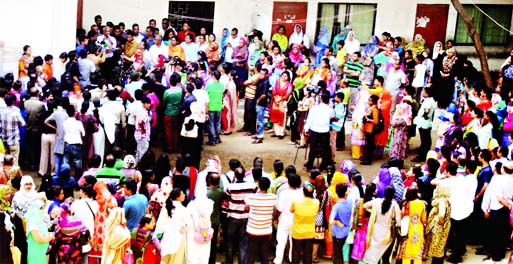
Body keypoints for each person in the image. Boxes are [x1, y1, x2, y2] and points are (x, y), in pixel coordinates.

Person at [363, 186, 401, 264]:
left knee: (375, 253)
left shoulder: (377, 201)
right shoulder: (395, 205)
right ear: (393, 194)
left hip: (376, 231)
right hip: (388, 234)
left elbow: (365, 206)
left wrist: (373, 212)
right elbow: (398, 222)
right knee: (386, 257)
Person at [155, 188, 191, 263]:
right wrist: (184, 230)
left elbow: (160, 223)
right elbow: (188, 225)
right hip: (179, 239)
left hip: (166, 238)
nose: (184, 195)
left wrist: (157, 236)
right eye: (182, 194)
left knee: (164, 261)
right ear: (177, 197)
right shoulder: (183, 209)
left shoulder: (166, 207)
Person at [274, 174, 303, 264]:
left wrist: (276, 218)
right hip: (296, 220)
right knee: (293, 242)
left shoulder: (284, 193)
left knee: (281, 242)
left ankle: (278, 260)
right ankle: (291, 259)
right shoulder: (302, 192)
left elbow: (279, 209)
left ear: (289, 183)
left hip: (284, 220)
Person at [303, 91, 335, 171]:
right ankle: (323, 166)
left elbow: (309, 119)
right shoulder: (330, 110)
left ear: (320, 99)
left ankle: (309, 165)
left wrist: (306, 128)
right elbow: (332, 117)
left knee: (313, 149)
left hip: (315, 130)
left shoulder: (314, 108)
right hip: (324, 131)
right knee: (325, 149)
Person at [290, 184, 320, 264]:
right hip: (309, 232)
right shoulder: (316, 202)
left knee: (296, 253)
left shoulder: (296, 202)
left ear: (303, 192)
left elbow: (291, 210)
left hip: (297, 232)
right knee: (308, 254)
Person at [424, 182, 451, 264]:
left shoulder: (442, 201)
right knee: (438, 248)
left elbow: (441, 215)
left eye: (437, 188)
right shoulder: (445, 200)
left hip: (438, 228)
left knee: (437, 248)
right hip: (441, 227)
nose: (435, 190)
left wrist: (436, 222)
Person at [398, 187, 427, 264]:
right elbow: (424, 220)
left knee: (406, 255)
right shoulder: (423, 204)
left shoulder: (405, 204)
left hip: (408, 231)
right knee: (417, 255)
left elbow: (402, 218)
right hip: (419, 231)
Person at [329, 183, 352, 264]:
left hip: (338, 233)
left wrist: (337, 222)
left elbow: (330, 221)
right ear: (346, 192)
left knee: (338, 254)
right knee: (346, 253)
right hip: (348, 231)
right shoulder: (350, 202)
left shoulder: (336, 207)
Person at [0, 94, 25, 166]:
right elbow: (23, 123)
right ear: (13, 101)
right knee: (14, 161)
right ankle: (13, 176)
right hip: (14, 140)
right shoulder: (16, 112)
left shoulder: (1, 112)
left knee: (4, 160)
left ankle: (5, 176)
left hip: (4, 140)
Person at [26, 199, 53, 264]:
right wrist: (50, 237)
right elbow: (38, 239)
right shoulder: (32, 222)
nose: (42, 210)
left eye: (43, 208)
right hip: (36, 250)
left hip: (44, 249)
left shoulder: (41, 220)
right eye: (40, 208)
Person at [412, 88, 435, 162]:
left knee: (424, 139)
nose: (422, 93)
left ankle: (422, 156)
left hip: (424, 123)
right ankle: (423, 152)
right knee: (426, 139)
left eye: (424, 92)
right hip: (426, 123)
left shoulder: (428, 101)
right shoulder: (430, 100)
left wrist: (424, 116)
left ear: (427, 94)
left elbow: (427, 110)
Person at [270, 71, 292, 139]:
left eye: (285, 76)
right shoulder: (277, 81)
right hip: (275, 100)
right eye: (283, 75)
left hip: (283, 102)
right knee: (275, 116)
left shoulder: (289, 85)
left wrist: (280, 99)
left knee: (282, 116)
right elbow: (273, 90)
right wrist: (275, 98)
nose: (284, 77)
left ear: (288, 78)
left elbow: (288, 94)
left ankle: (281, 133)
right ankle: (276, 132)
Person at [206, 71, 224, 145]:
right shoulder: (221, 86)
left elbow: (206, 95)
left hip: (211, 107)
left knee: (211, 124)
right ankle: (217, 138)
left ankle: (212, 140)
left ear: (213, 76)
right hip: (219, 106)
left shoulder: (209, 86)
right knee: (218, 123)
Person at [360, 95, 379, 165]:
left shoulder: (374, 110)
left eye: (370, 100)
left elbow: (376, 121)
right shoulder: (370, 108)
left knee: (370, 145)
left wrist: (368, 119)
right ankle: (366, 157)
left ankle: (368, 160)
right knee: (368, 144)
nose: (369, 101)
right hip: (367, 129)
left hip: (371, 129)